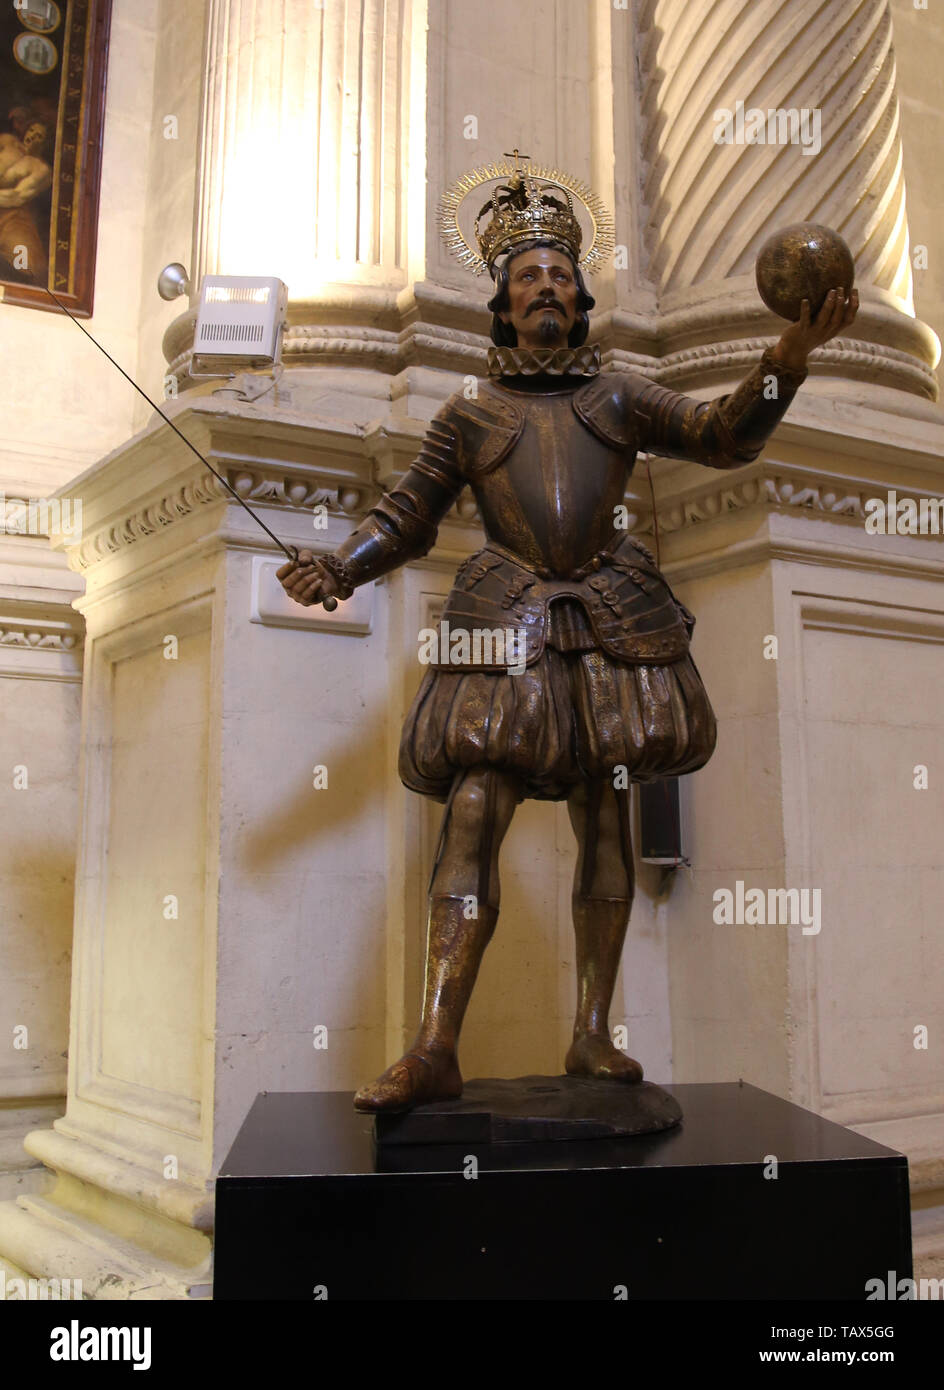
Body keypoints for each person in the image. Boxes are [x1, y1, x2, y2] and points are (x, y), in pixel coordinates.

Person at [278, 166, 858, 1113]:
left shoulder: (621, 397)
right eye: (526, 277)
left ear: (581, 298)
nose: (545, 286)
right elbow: (409, 515)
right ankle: (435, 1043)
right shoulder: (468, 412)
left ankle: (592, 1031)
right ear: (502, 306)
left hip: (611, 618)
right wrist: (342, 565)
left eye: (558, 274)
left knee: (606, 811)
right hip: (506, 617)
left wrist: (786, 356)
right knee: (472, 808)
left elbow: (720, 437)